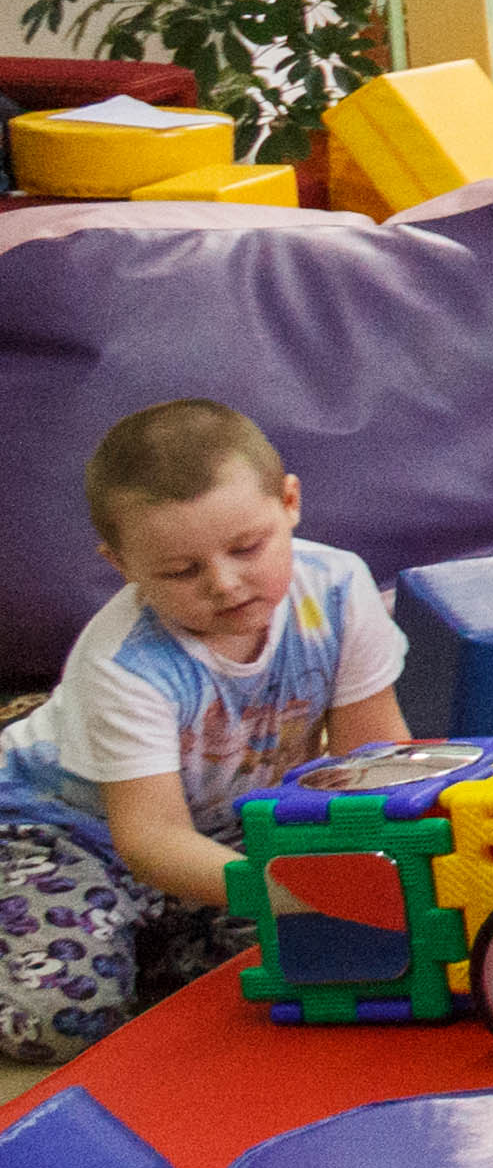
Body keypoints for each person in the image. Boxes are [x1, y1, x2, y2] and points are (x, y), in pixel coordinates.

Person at [0, 402, 409, 1061]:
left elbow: (372, 761)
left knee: (321, 966)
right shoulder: (123, 662)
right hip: (61, 834)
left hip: (220, 833)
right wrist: (291, 889)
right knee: (64, 1017)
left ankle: (143, 942)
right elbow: (151, 839)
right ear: (122, 564)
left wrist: (390, 867)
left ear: (290, 503)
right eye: (180, 571)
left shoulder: (337, 587)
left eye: (247, 547)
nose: (224, 583)